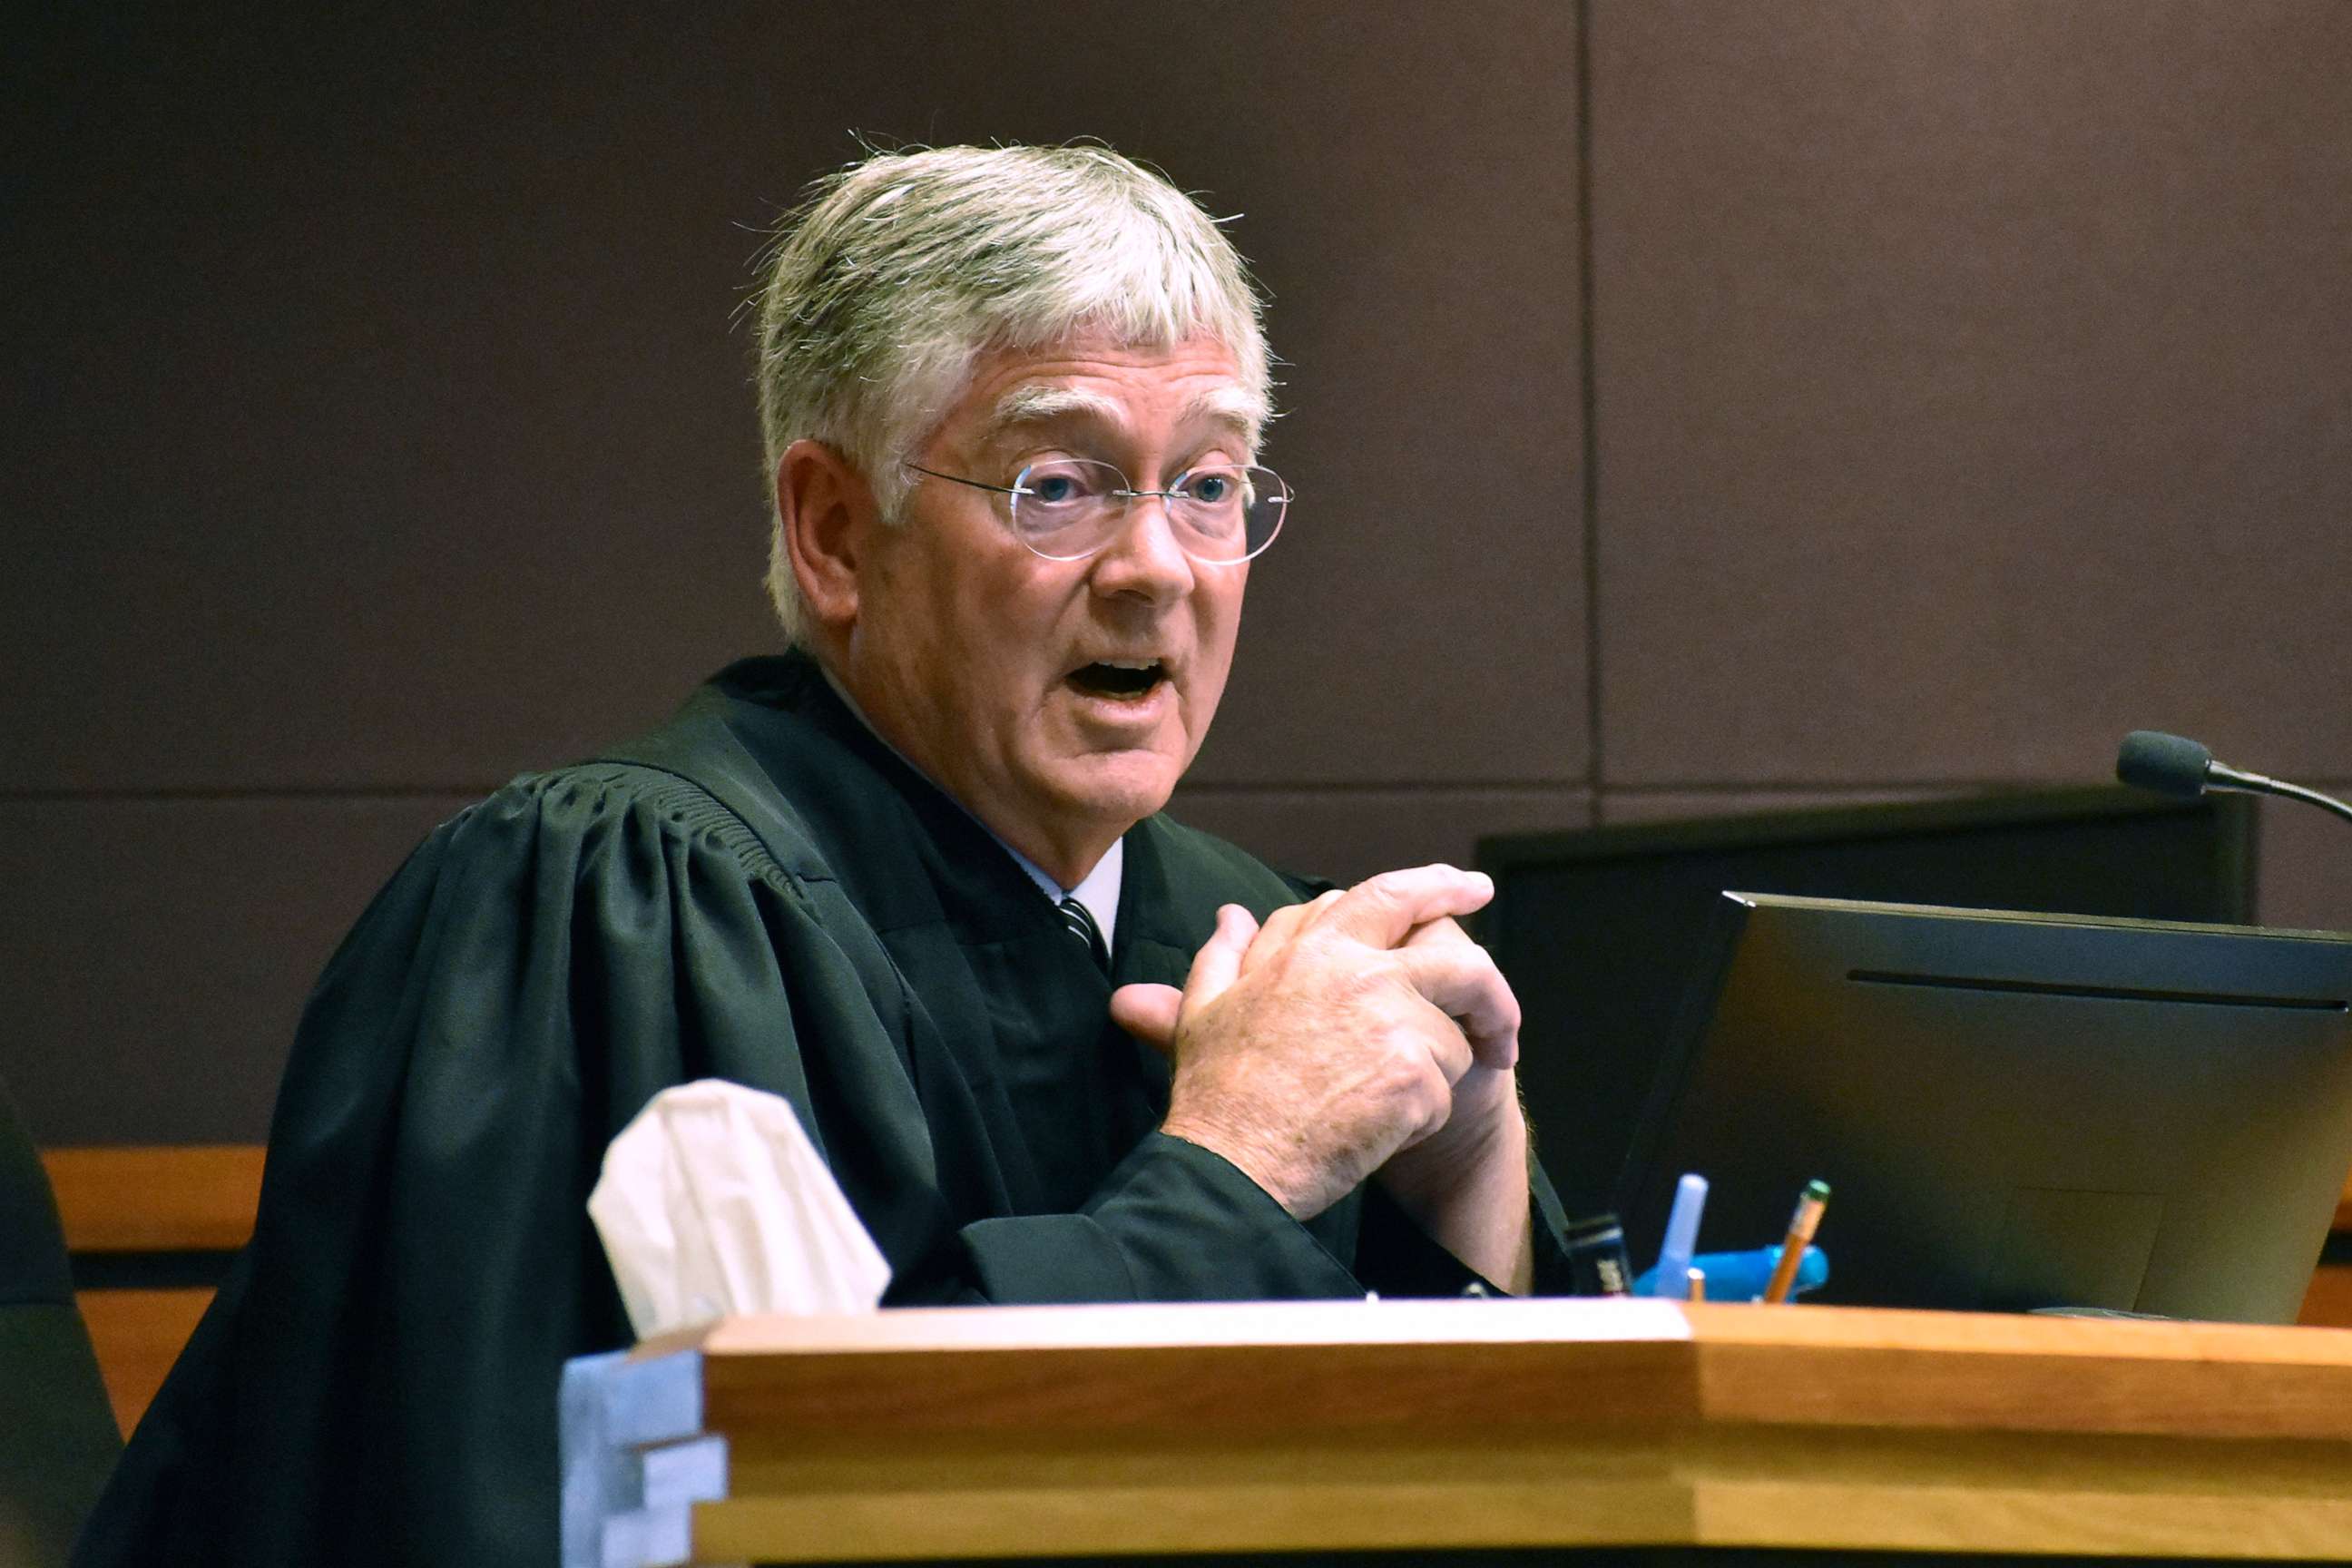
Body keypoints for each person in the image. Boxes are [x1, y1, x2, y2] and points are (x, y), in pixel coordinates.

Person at [74, 143, 1571, 1568]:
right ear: (839, 533)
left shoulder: (1249, 938)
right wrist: (1238, 1171)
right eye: (1061, 484)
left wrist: (1471, 1170)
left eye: (1209, 484)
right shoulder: (611, 910)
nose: (1158, 569)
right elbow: (737, 1511)